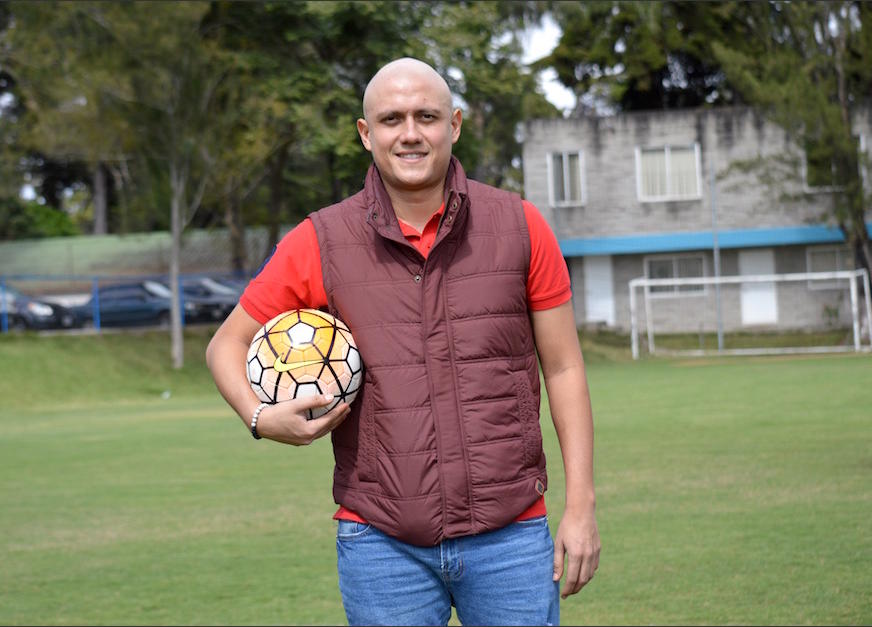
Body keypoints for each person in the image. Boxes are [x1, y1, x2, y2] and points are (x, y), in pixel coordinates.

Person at [206, 57, 600, 626]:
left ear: (455, 125)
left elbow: (564, 369)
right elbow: (225, 345)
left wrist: (581, 505)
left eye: (426, 116)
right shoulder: (320, 239)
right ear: (366, 134)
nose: (410, 133)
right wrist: (259, 417)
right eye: (391, 119)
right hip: (379, 543)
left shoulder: (520, 225)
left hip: (512, 536)